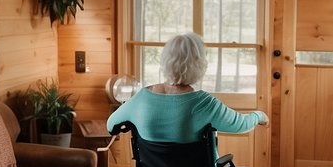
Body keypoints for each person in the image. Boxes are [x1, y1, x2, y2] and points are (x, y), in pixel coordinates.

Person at [106, 32, 268, 143]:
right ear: (199, 64)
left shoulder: (142, 97)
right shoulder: (204, 103)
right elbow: (241, 124)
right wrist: (259, 116)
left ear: (165, 60)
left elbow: (111, 125)